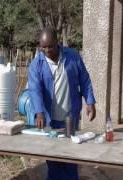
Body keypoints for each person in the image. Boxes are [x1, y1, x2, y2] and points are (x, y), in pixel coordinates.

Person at [28, 28, 96, 180]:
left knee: (70, 156)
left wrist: (90, 101)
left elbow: (85, 80)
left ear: (57, 43)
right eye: (43, 47)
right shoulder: (36, 64)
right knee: (52, 157)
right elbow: (34, 89)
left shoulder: (72, 57)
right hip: (49, 119)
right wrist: (39, 112)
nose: (47, 50)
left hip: (69, 117)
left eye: (50, 46)